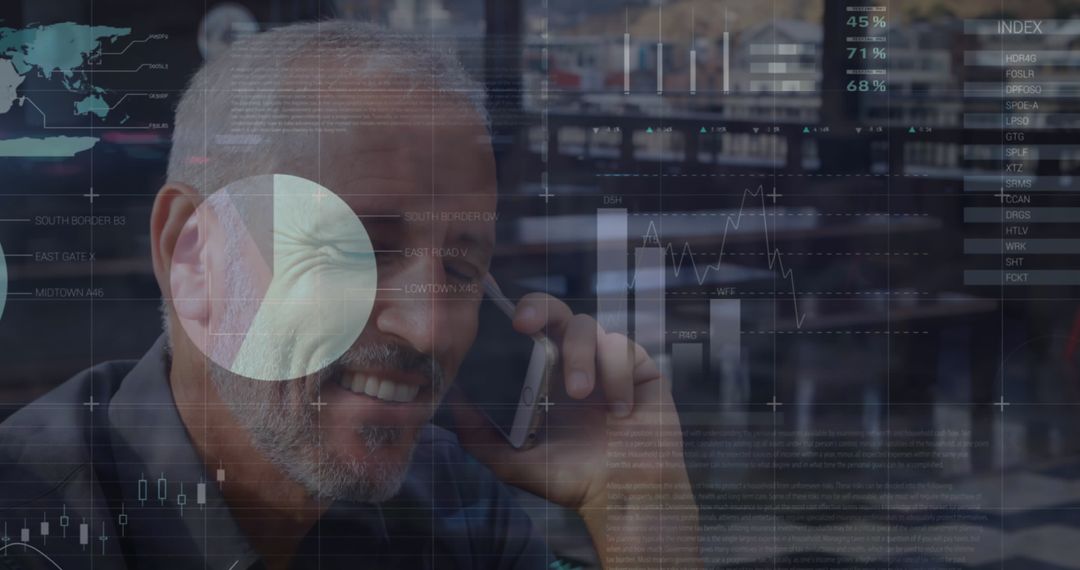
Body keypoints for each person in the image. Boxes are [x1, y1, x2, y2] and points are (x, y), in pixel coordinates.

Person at [0, 21, 698, 569]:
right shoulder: (29, 520)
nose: (429, 329)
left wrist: (637, 503)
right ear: (194, 254)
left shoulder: (453, 502)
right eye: (354, 248)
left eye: (461, 270)